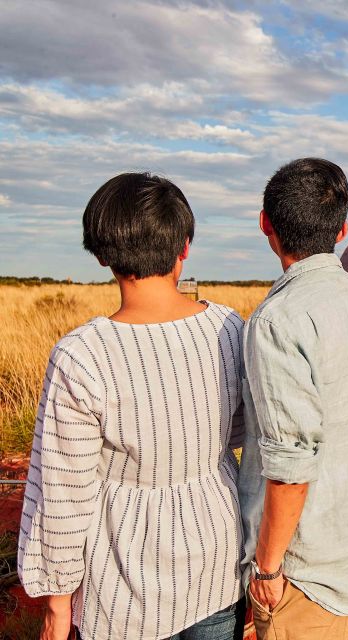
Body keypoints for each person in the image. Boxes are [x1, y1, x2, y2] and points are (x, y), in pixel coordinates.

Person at [18, 173, 247, 640]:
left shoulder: (81, 355)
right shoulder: (229, 327)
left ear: (102, 255)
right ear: (185, 246)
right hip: (218, 566)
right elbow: (241, 432)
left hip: (121, 584)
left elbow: (63, 494)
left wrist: (57, 605)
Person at [238, 158, 348, 640]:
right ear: (343, 228)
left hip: (304, 571)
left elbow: (290, 461)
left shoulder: (277, 320)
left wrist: (269, 567)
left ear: (265, 224)